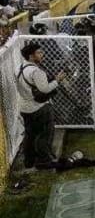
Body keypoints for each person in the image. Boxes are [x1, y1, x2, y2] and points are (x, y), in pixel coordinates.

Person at [16, 42, 66, 171]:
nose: (42, 55)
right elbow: (45, 89)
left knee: (30, 135)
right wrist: (57, 80)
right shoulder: (36, 71)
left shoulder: (19, 68)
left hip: (24, 107)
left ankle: (29, 161)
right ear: (31, 56)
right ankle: (44, 160)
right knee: (45, 134)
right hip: (39, 107)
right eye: (39, 53)